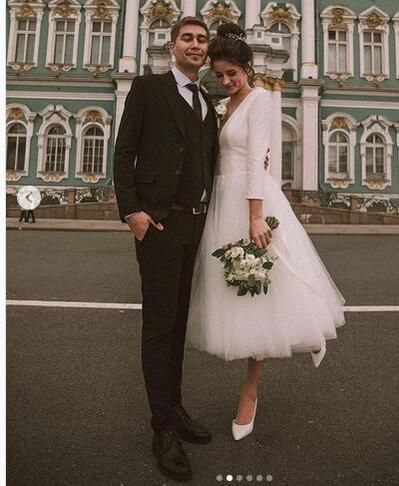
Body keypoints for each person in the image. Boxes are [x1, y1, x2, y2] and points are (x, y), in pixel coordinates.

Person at [186, 23, 346, 441]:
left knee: (261, 291)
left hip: (250, 200)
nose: (224, 81)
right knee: (246, 293)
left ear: (248, 68)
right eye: (218, 74)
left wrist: (255, 217)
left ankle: (250, 392)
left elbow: (258, 159)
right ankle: (309, 333)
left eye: (231, 74)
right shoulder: (225, 107)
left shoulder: (260, 101)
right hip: (223, 200)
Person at [113, 17, 218, 483]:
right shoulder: (148, 88)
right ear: (172, 46)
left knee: (177, 323)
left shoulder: (207, 101)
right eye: (187, 39)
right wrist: (131, 211)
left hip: (194, 226)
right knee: (158, 325)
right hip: (158, 223)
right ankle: (162, 430)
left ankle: (173, 409)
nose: (195, 45)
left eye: (201, 40)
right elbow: (123, 152)